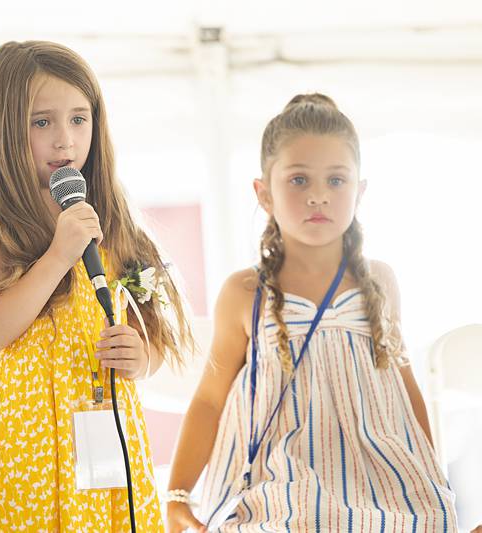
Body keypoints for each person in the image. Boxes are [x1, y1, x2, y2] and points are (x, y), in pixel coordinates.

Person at [165, 94, 458, 532]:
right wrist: (177, 497)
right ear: (263, 193)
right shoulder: (245, 291)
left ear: (360, 192)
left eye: (336, 181)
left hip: (382, 483)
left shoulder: (379, 281)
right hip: (279, 484)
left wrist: (432, 482)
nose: (318, 196)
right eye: (299, 180)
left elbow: (403, 388)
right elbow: (210, 399)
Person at [0, 40, 194, 531]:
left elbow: (150, 331)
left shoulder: (114, 222)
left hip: (104, 443)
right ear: (2, 130)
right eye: (41, 122)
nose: (64, 140)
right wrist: (57, 256)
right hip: (29, 454)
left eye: (78, 119)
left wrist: (140, 356)